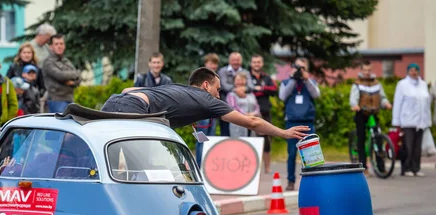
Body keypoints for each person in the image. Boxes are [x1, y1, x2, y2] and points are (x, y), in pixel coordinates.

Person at [101, 67, 309, 141]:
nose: (218, 96)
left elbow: (127, 91)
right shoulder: (207, 100)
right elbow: (252, 122)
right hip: (132, 108)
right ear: (206, 85)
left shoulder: (177, 88)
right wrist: (284, 133)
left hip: (114, 101)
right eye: (217, 90)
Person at [279, 57, 320, 191]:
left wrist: (306, 79)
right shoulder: (286, 82)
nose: (299, 71)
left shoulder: (311, 82)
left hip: (307, 122)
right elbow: (282, 96)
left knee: (311, 155)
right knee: (292, 154)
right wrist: (292, 79)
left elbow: (316, 95)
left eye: (302, 68)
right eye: (297, 67)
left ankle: (312, 182)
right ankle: (291, 181)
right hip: (292, 122)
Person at [349, 60, 392, 175]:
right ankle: (363, 167)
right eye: (365, 70)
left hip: (373, 113)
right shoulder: (357, 84)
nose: (367, 72)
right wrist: (355, 105)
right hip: (361, 113)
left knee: (378, 138)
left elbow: (382, 97)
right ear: (361, 71)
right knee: (361, 139)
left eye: (369, 70)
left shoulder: (376, 83)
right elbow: (353, 98)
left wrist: (386, 103)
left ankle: (381, 167)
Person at [392, 63, 432, 177]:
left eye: (416, 70)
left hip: (421, 122)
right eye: (411, 70)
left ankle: (416, 168)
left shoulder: (423, 84)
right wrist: (397, 122)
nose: (414, 72)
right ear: (408, 72)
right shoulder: (402, 84)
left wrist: (427, 121)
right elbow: (398, 103)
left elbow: (426, 105)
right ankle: (406, 168)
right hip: (407, 120)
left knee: (417, 147)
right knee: (408, 146)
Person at [250, 54, 278, 174]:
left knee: (266, 141)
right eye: (254, 62)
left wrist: (261, 89)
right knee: (250, 140)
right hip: (249, 113)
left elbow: (274, 90)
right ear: (251, 63)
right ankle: (252, 168)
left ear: (262, 64)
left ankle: (267, 168)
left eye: (259, 62)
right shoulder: (247, 76)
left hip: (265, 112)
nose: (257, 64)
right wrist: (261, 91)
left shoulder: (266, 77)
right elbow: (247, 89)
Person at [42, 34, 81, 113]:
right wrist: (74, 74)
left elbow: (79, 77)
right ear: (51, 47)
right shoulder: (48, 62)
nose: (59, 46)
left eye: (61, 44)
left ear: (64, 46)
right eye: (56, 44)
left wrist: (72, 82)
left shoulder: (66, 61)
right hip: (56, 100)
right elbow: (60, 76)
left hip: (70, 99)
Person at [218, 52, 253, 136]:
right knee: (225, 133)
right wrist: (237, 89)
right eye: (234, 60)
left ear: (241, 61)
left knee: (246, 134)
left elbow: (251, 86)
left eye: (238, 60)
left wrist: (245, 88)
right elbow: (223, 86)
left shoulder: (246, 72)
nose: (236, 62)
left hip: (245, 109)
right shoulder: (222, 71)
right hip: (226, 108)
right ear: (229, 61)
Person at [194, 53, 220, 166]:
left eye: (215, 64)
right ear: (205, 64)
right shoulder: (200, 78)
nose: (213, 66)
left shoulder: (216, 78)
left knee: (210, 140)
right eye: (211, 63)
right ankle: (199, 166)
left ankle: (207, 165)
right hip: (201, 113)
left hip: (212, 113)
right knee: (201, 141)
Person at [226, 72, 260, 137]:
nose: (240, 82)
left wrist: (253, 114)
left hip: (252, 123)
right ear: (234, 82)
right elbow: (233, 108)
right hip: (238, 124)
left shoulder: (251, 94)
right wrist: (245, 115)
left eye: (242, 80)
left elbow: (257, 107)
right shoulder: (231, 95)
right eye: (238, 80)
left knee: (251, 143)